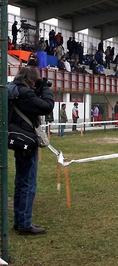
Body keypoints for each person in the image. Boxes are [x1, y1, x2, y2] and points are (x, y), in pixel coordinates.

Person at [8, 67, 54, 234]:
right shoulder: (26, 94)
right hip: (27, 141)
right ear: (30, 80)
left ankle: (19, 221)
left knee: (20, 182)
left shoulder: (14, 91)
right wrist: (46, 89)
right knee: (28, 183)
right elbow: (47, 106)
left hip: (19, 140)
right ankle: (25, 224)